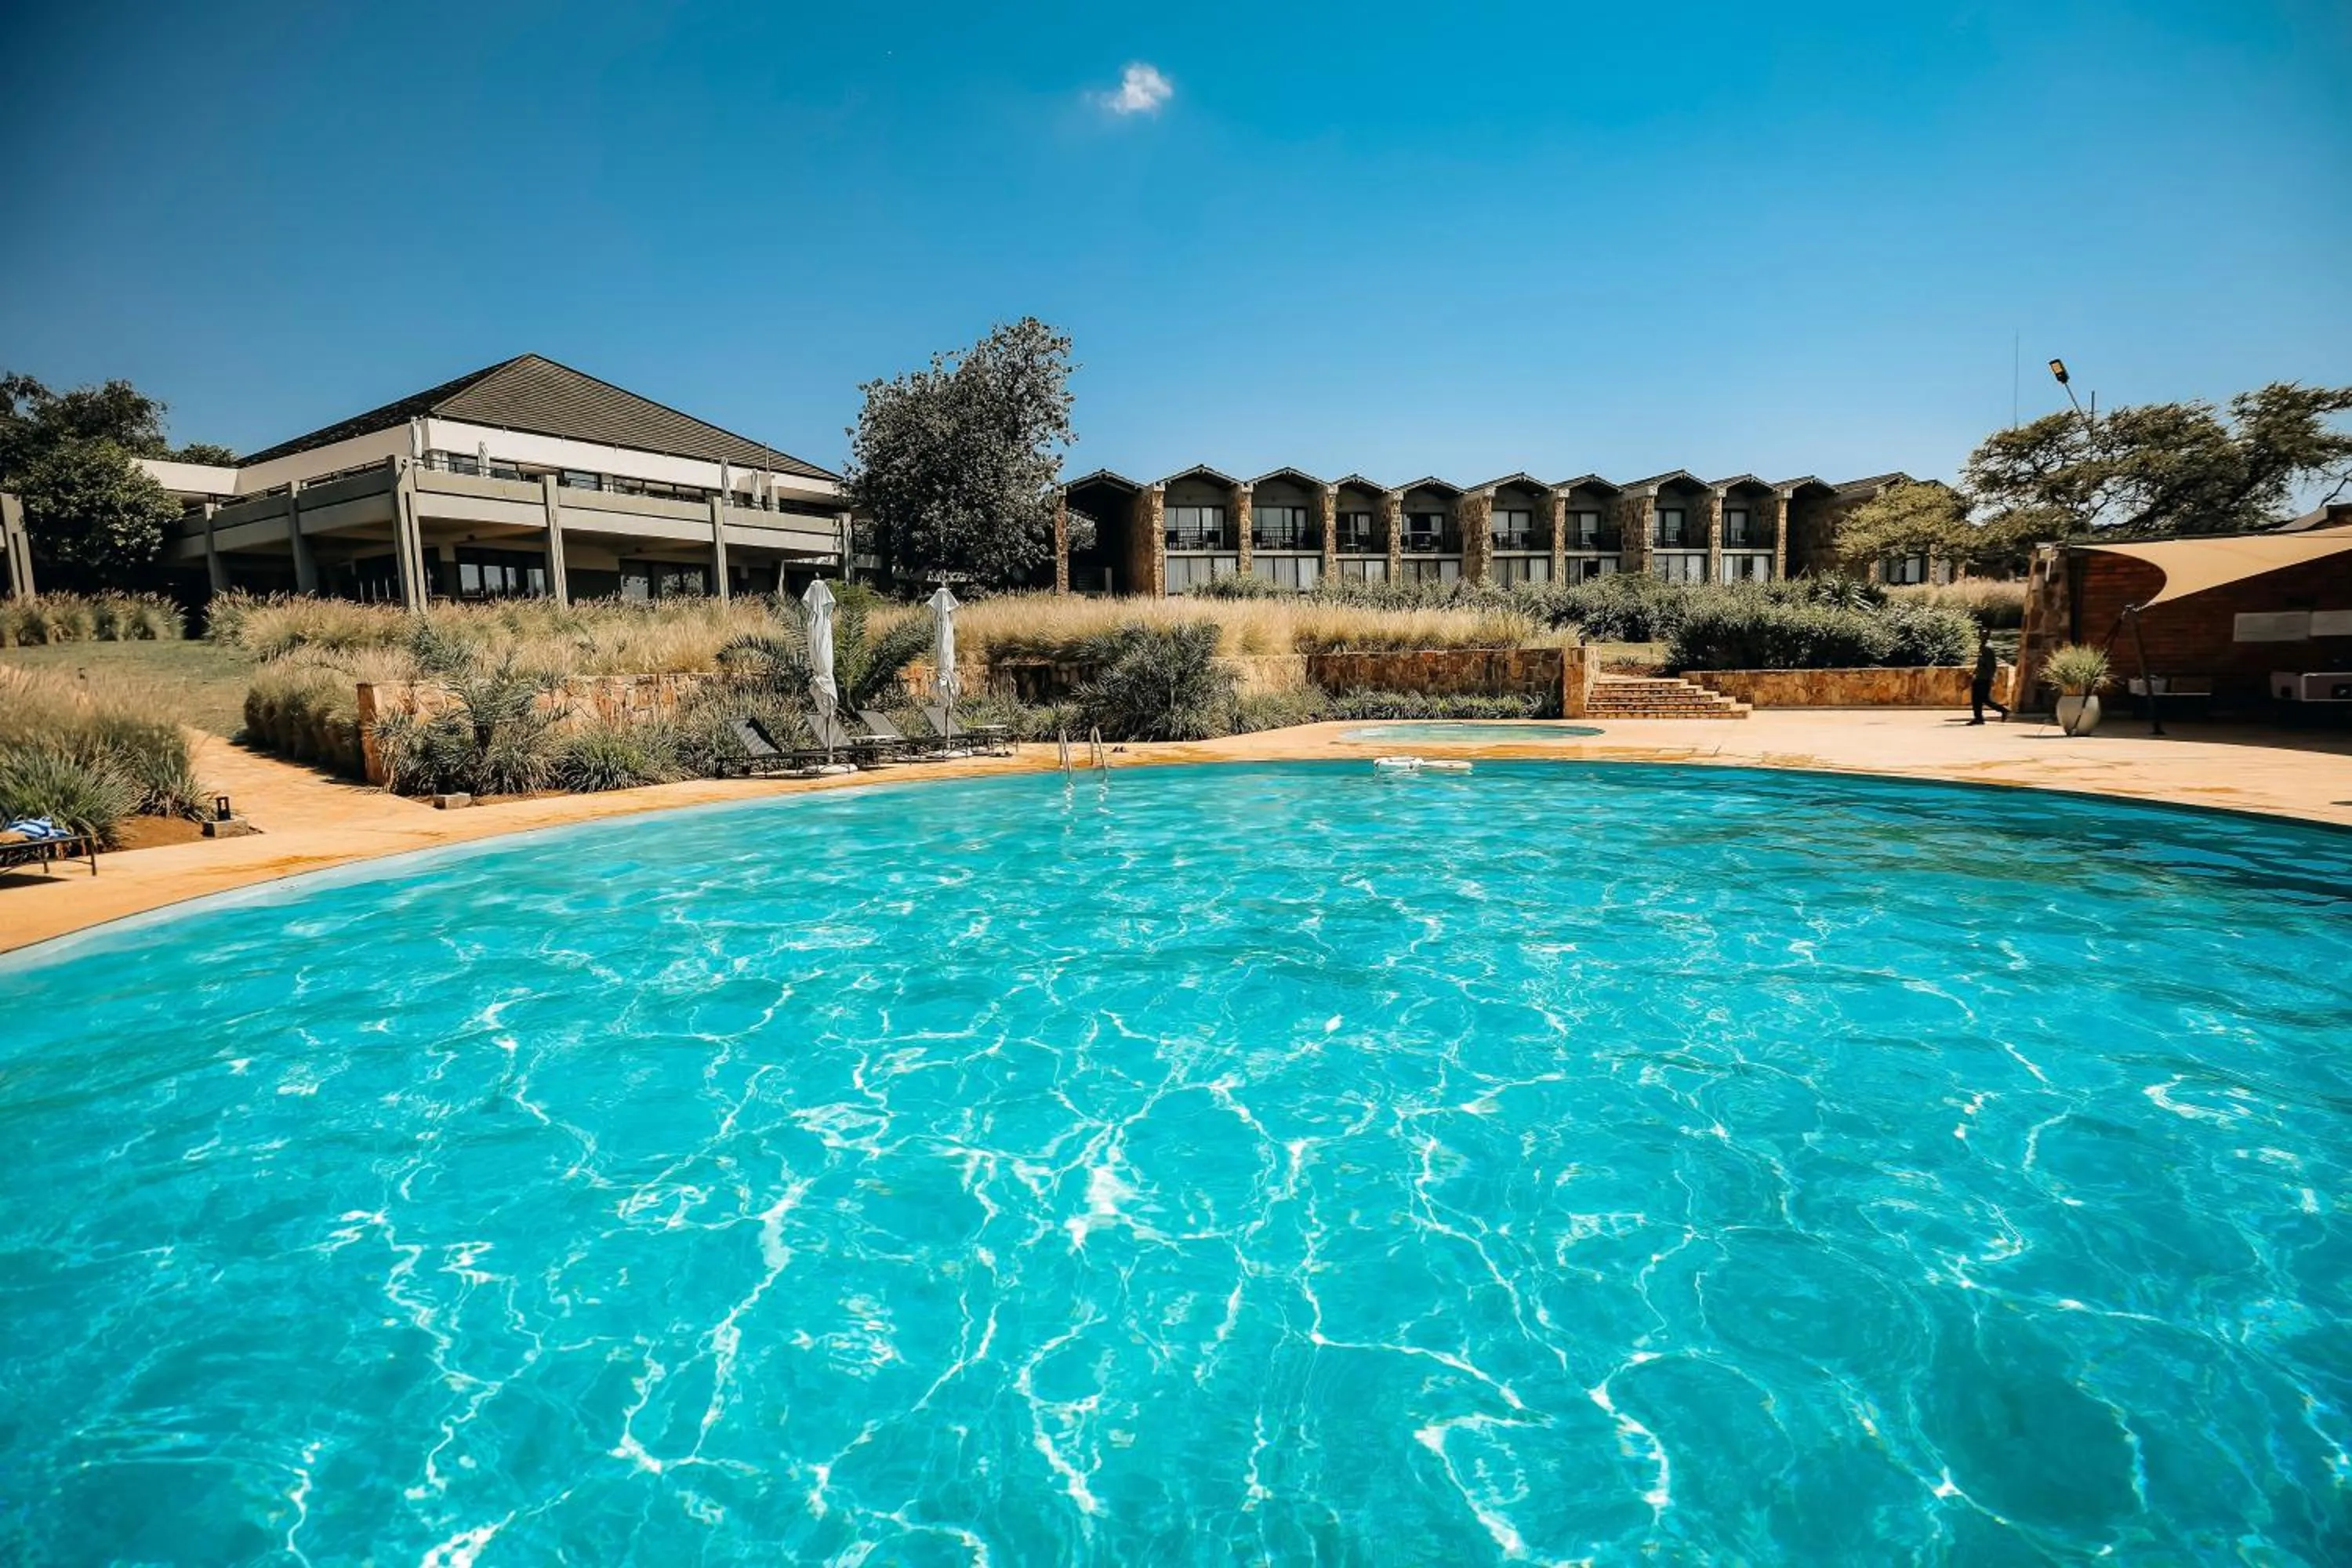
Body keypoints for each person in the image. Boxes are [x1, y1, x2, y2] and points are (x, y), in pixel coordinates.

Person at [1969, 625, 2008, 724]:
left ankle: (2003, 711)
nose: (1981, 636)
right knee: (1976, 699)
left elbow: (1992, 665)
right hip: (1979, 677)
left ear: (1988, 636)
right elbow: (1981, 663)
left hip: (1984, 678)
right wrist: (1975, 673)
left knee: (1984, 699)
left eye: (1984, 635)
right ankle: (1978, 718)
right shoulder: (1982, 646)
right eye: (1980, 634)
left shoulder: (1987, 648)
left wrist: (1991, 677)